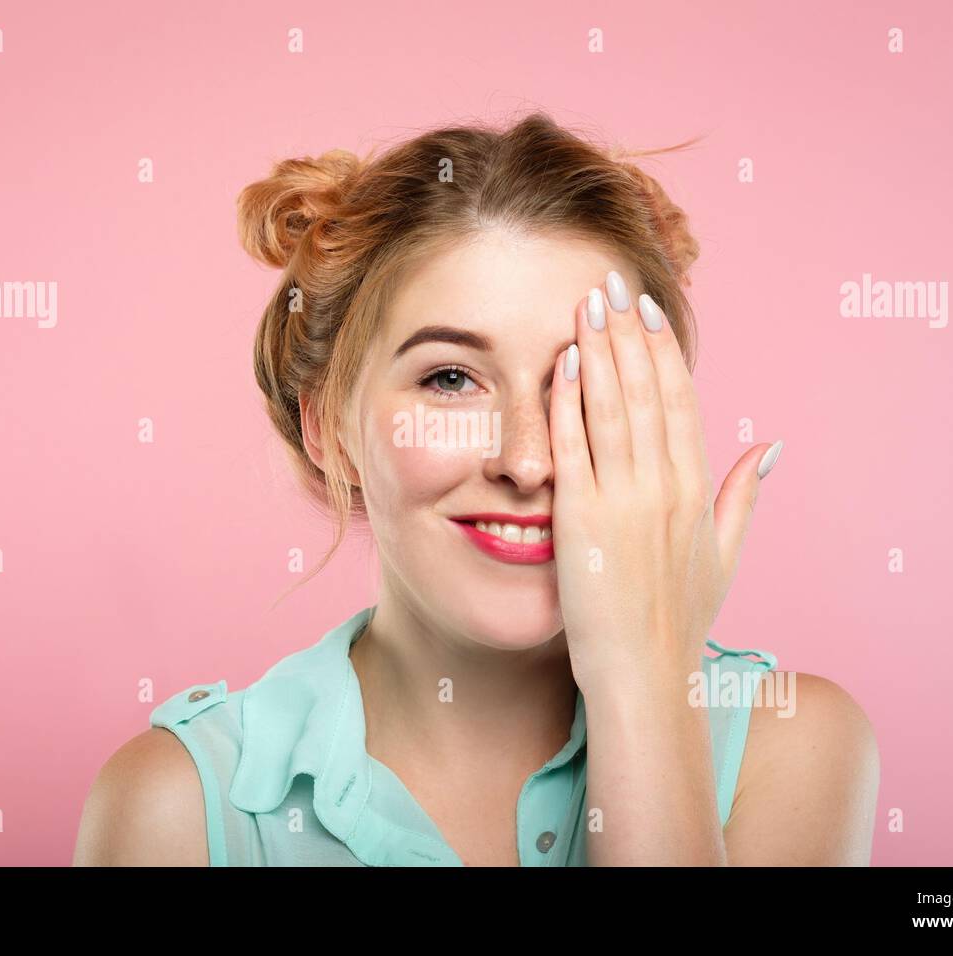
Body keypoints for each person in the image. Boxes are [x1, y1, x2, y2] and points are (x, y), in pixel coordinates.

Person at [72, 112, 880, 867]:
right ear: (330, 429)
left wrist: (643, 678)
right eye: (451, 378)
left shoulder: (790, 745)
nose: (527, 462)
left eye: (581, 379)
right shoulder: (175, 809)